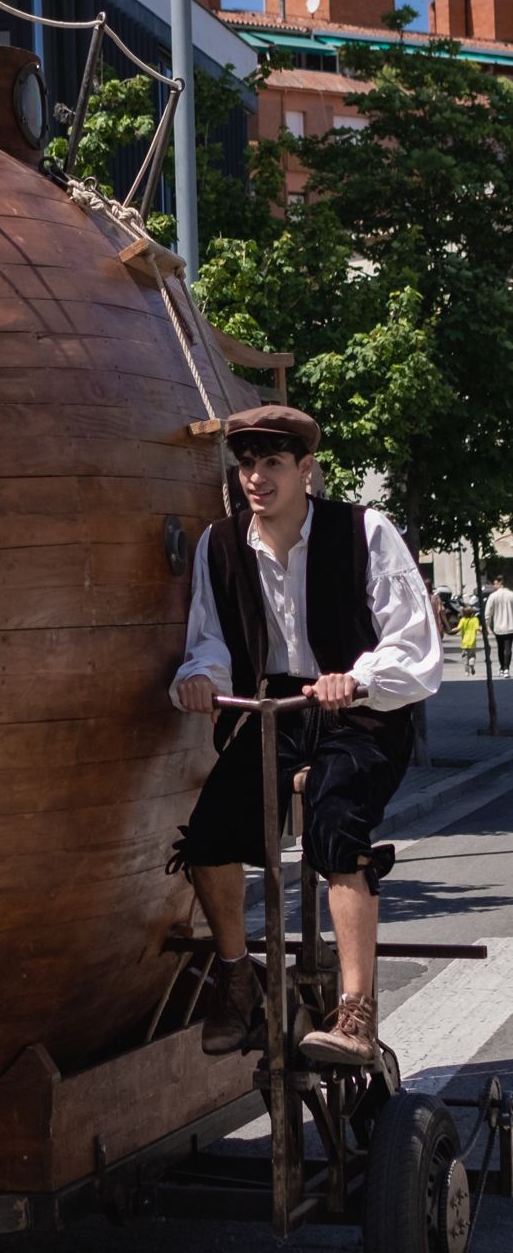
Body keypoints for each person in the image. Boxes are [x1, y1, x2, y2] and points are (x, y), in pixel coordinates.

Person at [169, 404, 442, 1066]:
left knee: (335, 827)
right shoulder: (221, 543)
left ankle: (354, 1013)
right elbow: (208, 641)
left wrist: (358, 676)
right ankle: (238, 976)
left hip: (365, 712)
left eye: (271, 464)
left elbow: (414, 646)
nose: (255, 478)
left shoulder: (363, 531)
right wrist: (199, 678)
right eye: (245, 464)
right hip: (273, 709)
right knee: (206, 838)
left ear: (304, 469)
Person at [485, 575, 513, 677]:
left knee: (500, 648)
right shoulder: (511, 595)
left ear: (500, 583)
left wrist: (486, 626)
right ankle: (506, 668)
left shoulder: (493, 596)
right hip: (510, 626)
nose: (494, 585)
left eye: (495, 583)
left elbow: (488, 613)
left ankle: (502, 668)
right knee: (508, 648)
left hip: (498, 627)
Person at [458, 604, 481, 676]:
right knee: (472, 656)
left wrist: (449, 631)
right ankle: (472, 663)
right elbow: (478, 628)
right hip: (472, 642)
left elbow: (458, 628)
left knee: (465, 657)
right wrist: (483, 632)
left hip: (464, 643)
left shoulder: (462, 620)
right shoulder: (475, 620)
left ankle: (466, 672)